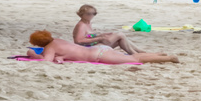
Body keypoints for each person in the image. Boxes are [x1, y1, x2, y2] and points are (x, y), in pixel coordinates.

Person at [26, 30, 177, 64]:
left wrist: (33, 54)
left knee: (132, 59)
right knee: (129, 57)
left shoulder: (49, 48)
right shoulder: (57, 40)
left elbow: (46, 61)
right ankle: (162, 56)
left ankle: (169, 58)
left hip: (98, 56)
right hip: (99, 49)